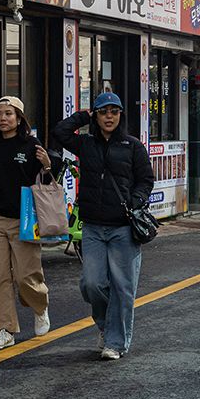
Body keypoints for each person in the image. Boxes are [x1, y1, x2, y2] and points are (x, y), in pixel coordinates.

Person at [52, 92, 154, 362]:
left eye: (114, 111)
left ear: (121, 115)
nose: (109, 116)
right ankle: (106, 326)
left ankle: (115, 343)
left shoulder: (133, 146)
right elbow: (60, 132)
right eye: (103, 112)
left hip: (123, 228)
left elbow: (146, 180)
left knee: (122, 288)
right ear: (96, 116)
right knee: (91, 284)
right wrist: (84, 115)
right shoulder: (86, 144)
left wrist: (135, 201)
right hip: (93, 227)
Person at [0, 96, 53, 351]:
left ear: (19, 118)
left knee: (26, 275)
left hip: (24, 219)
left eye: (8, 114)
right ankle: (5, 330)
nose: (3, 118)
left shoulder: (31, 144)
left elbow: (44, 184)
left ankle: (40, 306)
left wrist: (47, 166)